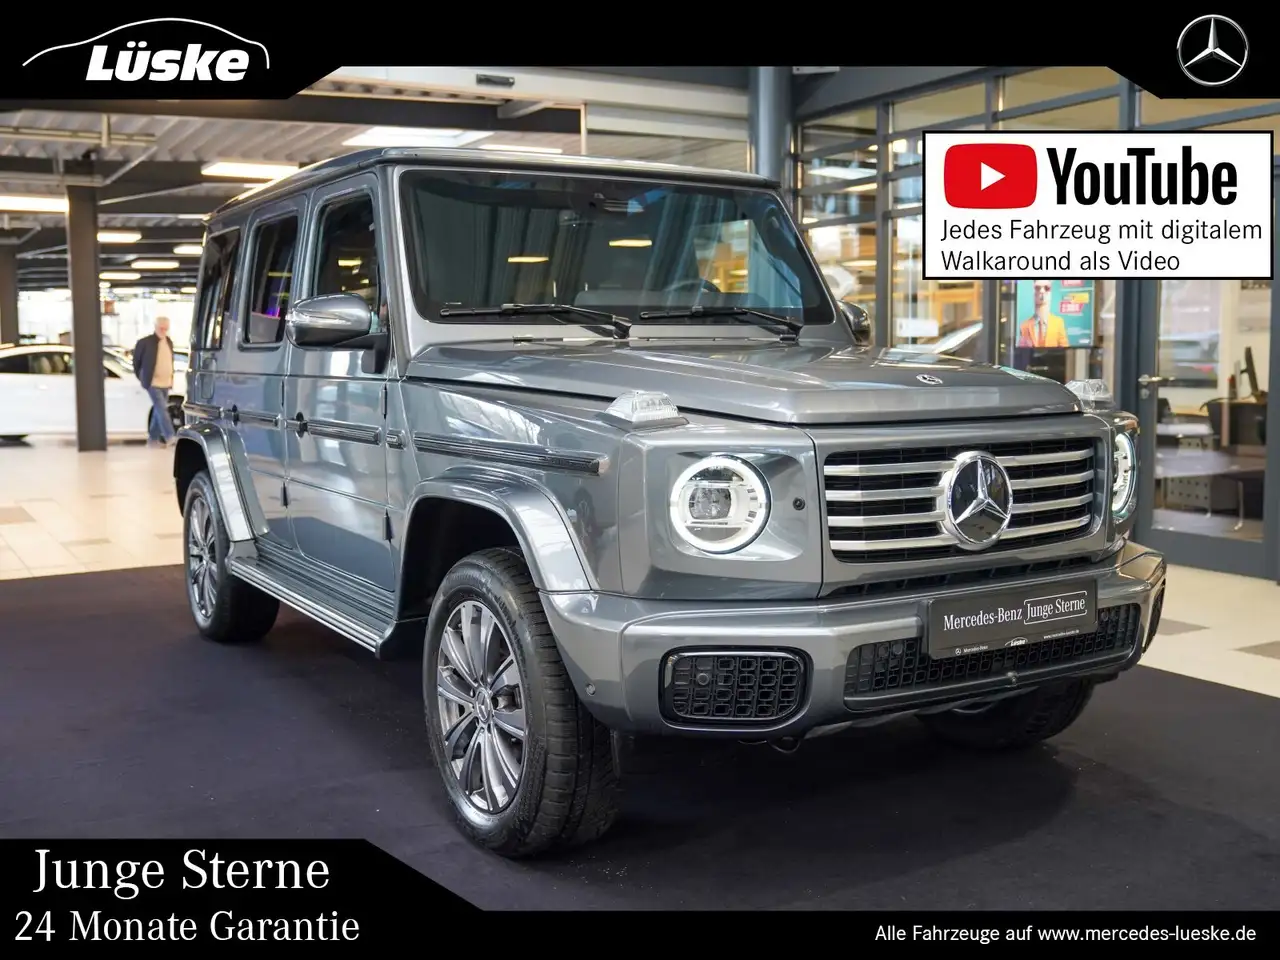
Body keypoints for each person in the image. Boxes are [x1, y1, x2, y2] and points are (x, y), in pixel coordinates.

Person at [133, 317, 177, 447]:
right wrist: (143, 377)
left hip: (166, 382)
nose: (164, 331)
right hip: (153, 382)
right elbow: (136, 363)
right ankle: (170, 436)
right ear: (156, 327)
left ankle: (153, 439)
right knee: (162, 409)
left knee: (159, 410)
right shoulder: (145, 342)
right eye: (161, 328)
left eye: (166, 328)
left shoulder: (168, 342)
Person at [1017, 279, 1070, 348]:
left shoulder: (1058, 323)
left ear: (1050, 293)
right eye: (1037, 288)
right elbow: (1022, 351)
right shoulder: (1024, 326)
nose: (1042, 291)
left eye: (1046, 288)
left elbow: (1065, 348)